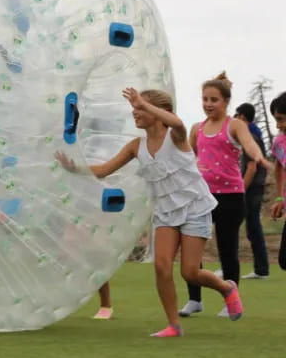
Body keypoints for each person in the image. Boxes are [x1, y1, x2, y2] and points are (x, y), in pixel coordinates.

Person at [56, 87, 245, 338]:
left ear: (158, 113)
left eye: (139, 109)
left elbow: (176, 121)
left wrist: (145, 103)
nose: (135, 114)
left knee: (189, 272)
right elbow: (103, 170)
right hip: (166, 211)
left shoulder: (175, 137)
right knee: (161, 266)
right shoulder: (136, 146)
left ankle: (226, 288)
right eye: (133, 110)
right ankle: (174, 325)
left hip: (194, 207)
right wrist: (75, 168)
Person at [179, 73, 270, 318]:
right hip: (200, 198)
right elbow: (188, 156)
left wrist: (258, 156)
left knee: (227, 249)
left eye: (214, 100)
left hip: (230, 197)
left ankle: (231, 299)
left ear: (226, 101)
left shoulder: (235, 125)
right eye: (205, 99)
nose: (208, 104)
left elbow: (249, 144)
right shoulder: (197, 128)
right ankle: (194, 299)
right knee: (191, 248)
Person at [234, 103, 270, 279]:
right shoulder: (253, 135)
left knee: (235, 226)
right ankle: (260, 270)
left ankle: (231, 267)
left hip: (251, 188)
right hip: (254, 187)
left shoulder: (250, 138)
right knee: (252, 227)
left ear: (242, 117)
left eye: (237, 116)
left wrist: (240, 190)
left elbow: (251, 168)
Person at [269, 93, 286, 270]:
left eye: (281, 119)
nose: (278, 125)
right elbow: (279, 166)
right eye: (276, 120)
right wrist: (279, 198)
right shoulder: (280, 141)